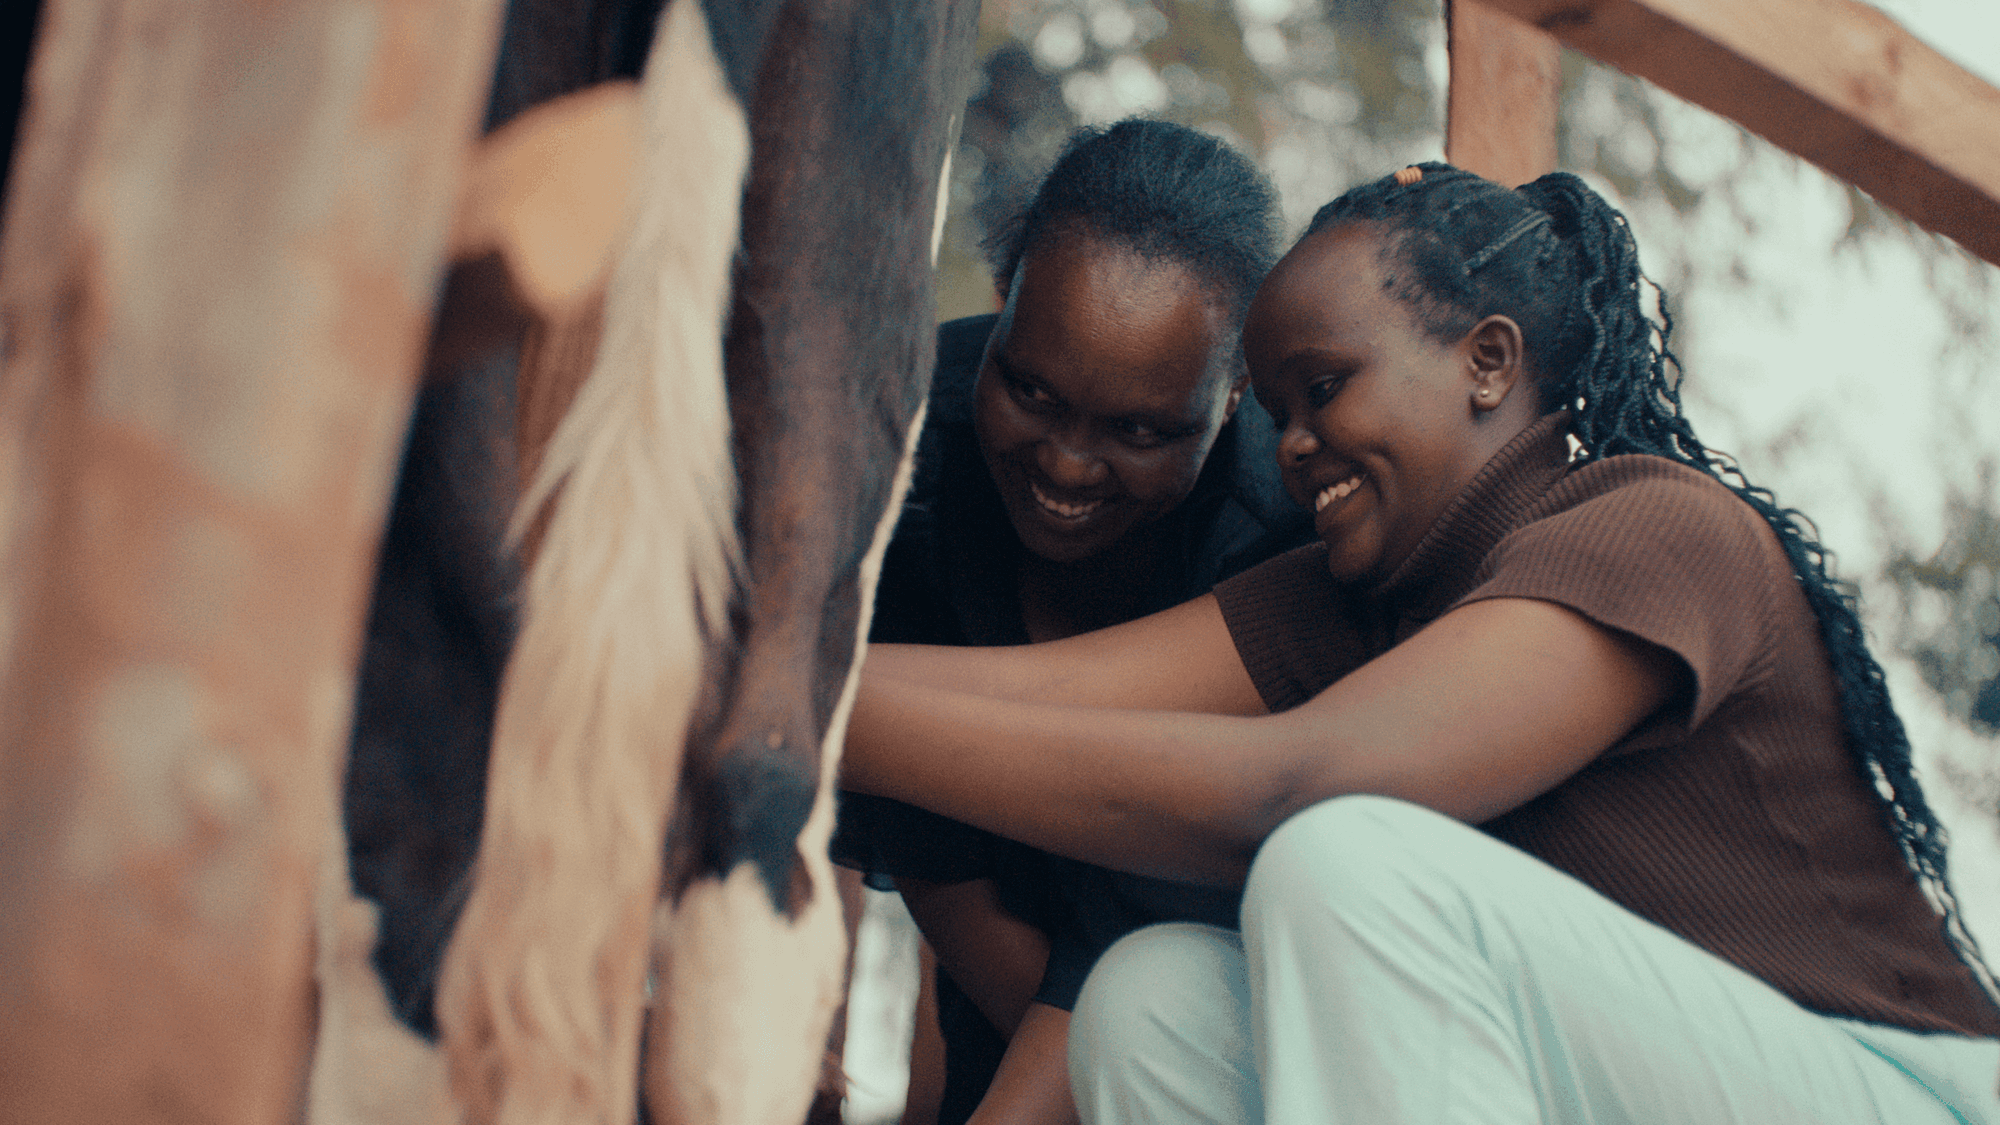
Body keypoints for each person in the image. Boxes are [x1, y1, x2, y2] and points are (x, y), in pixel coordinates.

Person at [840, 163, 2000, 1124]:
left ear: (1486, 362)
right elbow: (1039, 699)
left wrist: (762, 686)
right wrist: (733, 662)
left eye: (1325, 388)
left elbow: (1292, 783)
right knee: (1149, 1003)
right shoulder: (1362, 597)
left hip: (1897, 1091)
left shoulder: (1651, 524)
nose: (1292, 447)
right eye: (1274, 410)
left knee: (1344, 862)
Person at [834, 119, 1312, 1125]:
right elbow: (930, 853)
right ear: (1003, 300)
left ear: (1234, 394)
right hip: (1007, 1001)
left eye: (1140, 430)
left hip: (1226, 1030)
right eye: (1029, 390)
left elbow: (1177, 922)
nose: (1063, 464)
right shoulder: (894, 454)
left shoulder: (1286, 535)